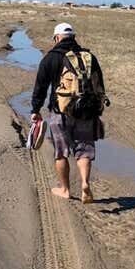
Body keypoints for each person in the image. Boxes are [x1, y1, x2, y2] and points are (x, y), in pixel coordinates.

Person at [31, 23, 105, 203]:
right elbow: (100, 85)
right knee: (84, 150)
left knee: (61, 152)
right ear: (73, 37)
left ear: (56, 38)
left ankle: (64, 189)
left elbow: (40, 86)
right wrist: (98, 110)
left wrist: (35, 109)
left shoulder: (51, 58)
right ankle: (85, 184)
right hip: (86, 112)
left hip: (60, 111)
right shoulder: (88, 57)